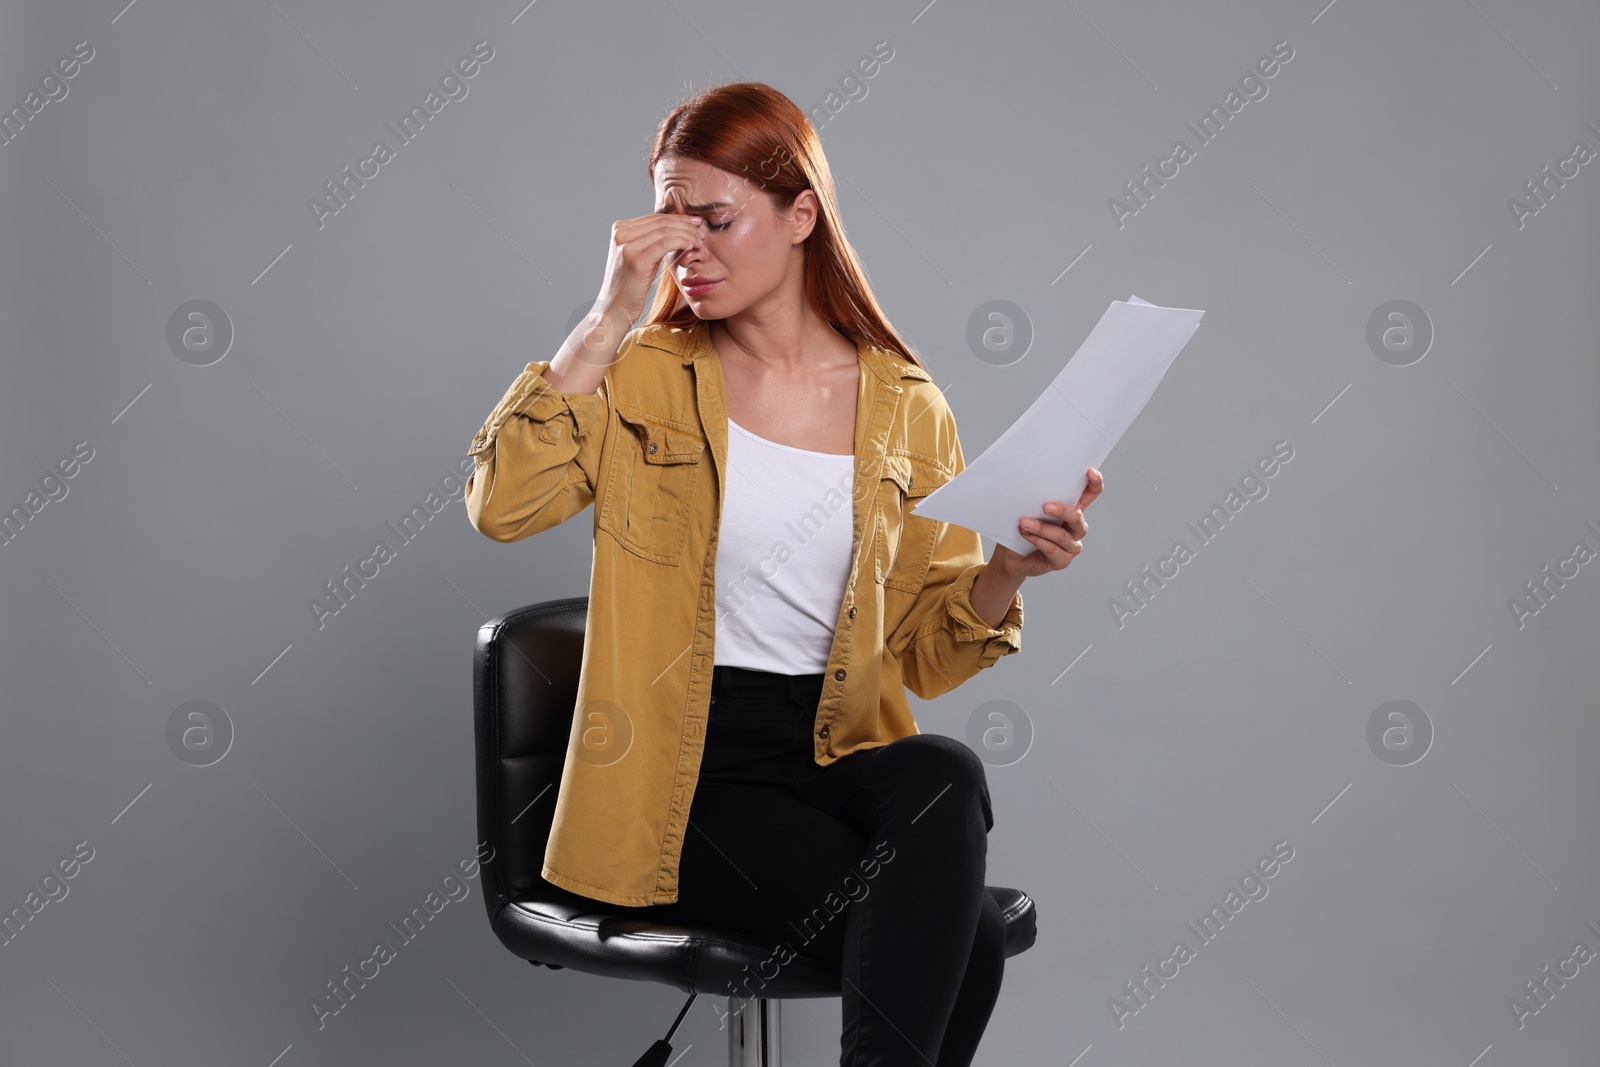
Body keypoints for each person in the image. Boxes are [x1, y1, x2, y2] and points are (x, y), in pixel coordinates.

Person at [465, 81, 1100, 1067]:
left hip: (831, 756)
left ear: (800, 213)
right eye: (673, 221)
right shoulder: (640, 372)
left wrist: (1007, 572)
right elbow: (502, 504)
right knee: (961, 932)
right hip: (681, 783)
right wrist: (602, 319)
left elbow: (927, 655)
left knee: (941, 770)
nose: (688, 249)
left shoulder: (905, 403)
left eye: (715, 219)